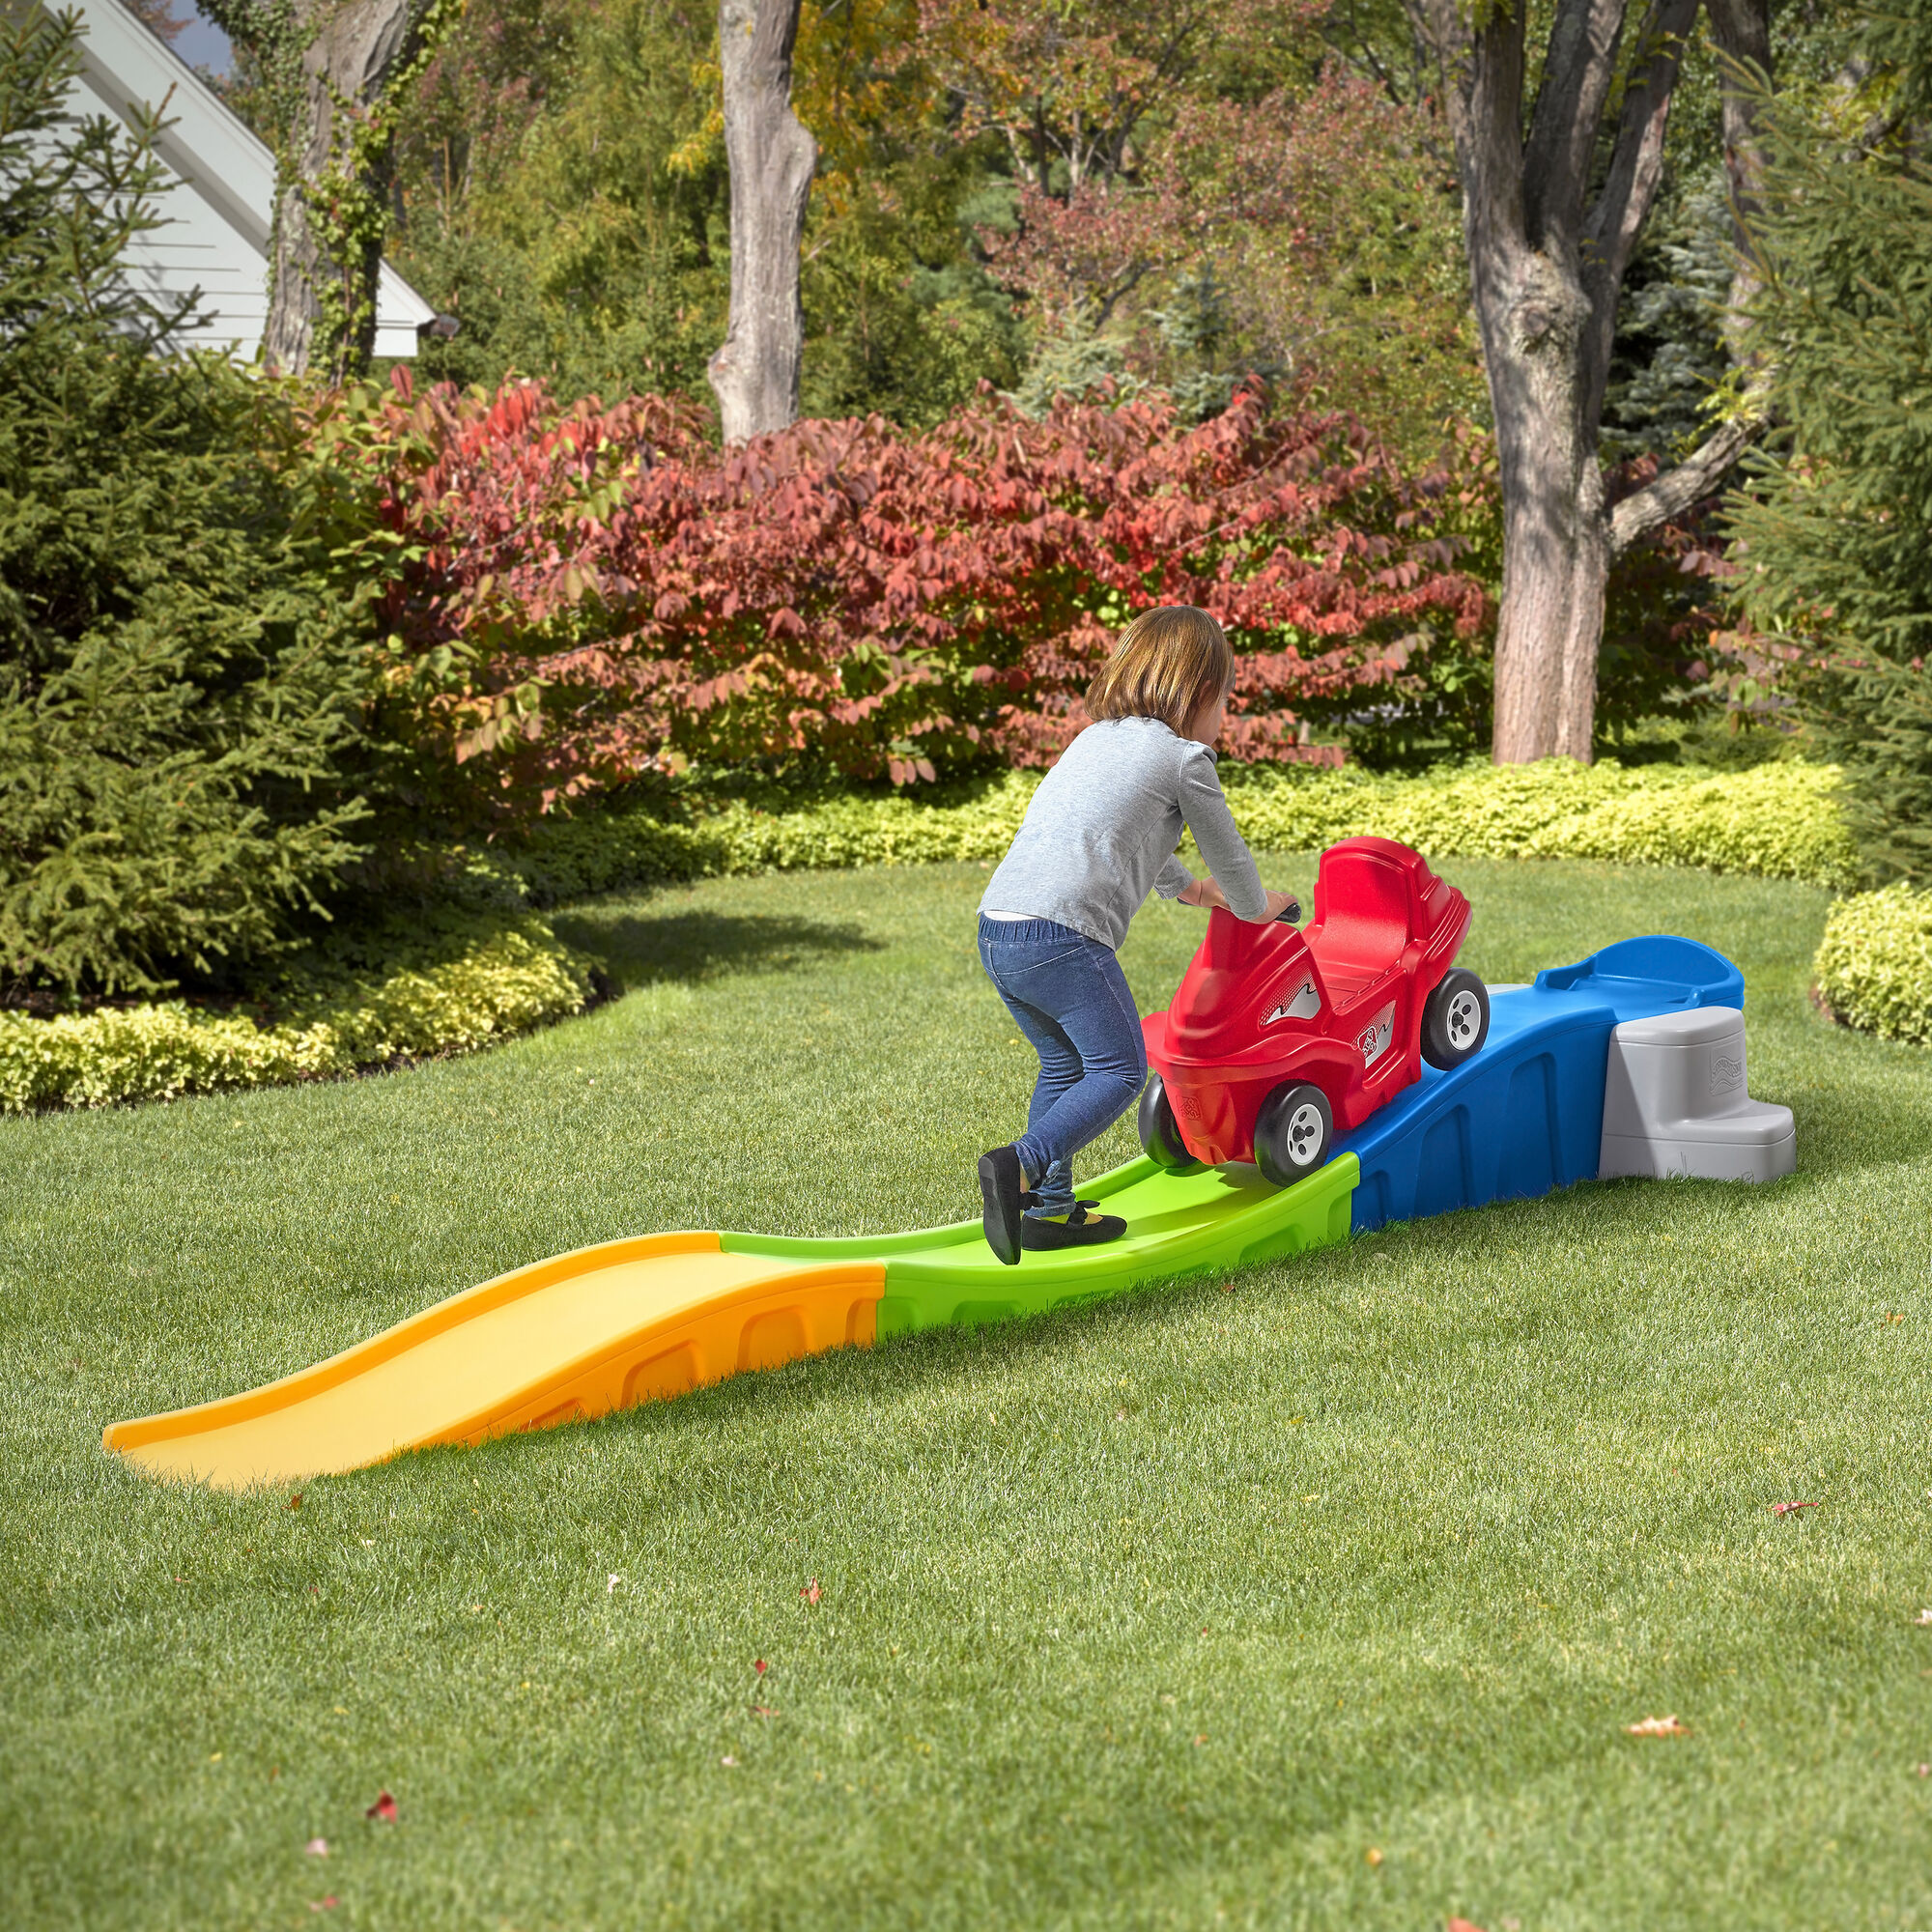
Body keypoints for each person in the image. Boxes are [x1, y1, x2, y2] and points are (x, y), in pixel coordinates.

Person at [976, 606, 1295, 1264]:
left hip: (999, 927)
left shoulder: (1093, 740)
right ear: (1199, 690)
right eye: (1224, 699)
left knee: (1064, 1065)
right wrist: (1252, 905)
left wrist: (1188, 889)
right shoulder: (1185, 759)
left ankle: (1050, 1211)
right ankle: (1022, 1166)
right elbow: (1229, 853)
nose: (1223, 717)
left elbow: (1126, 833)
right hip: (1064, 935)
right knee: (1121, 1070)